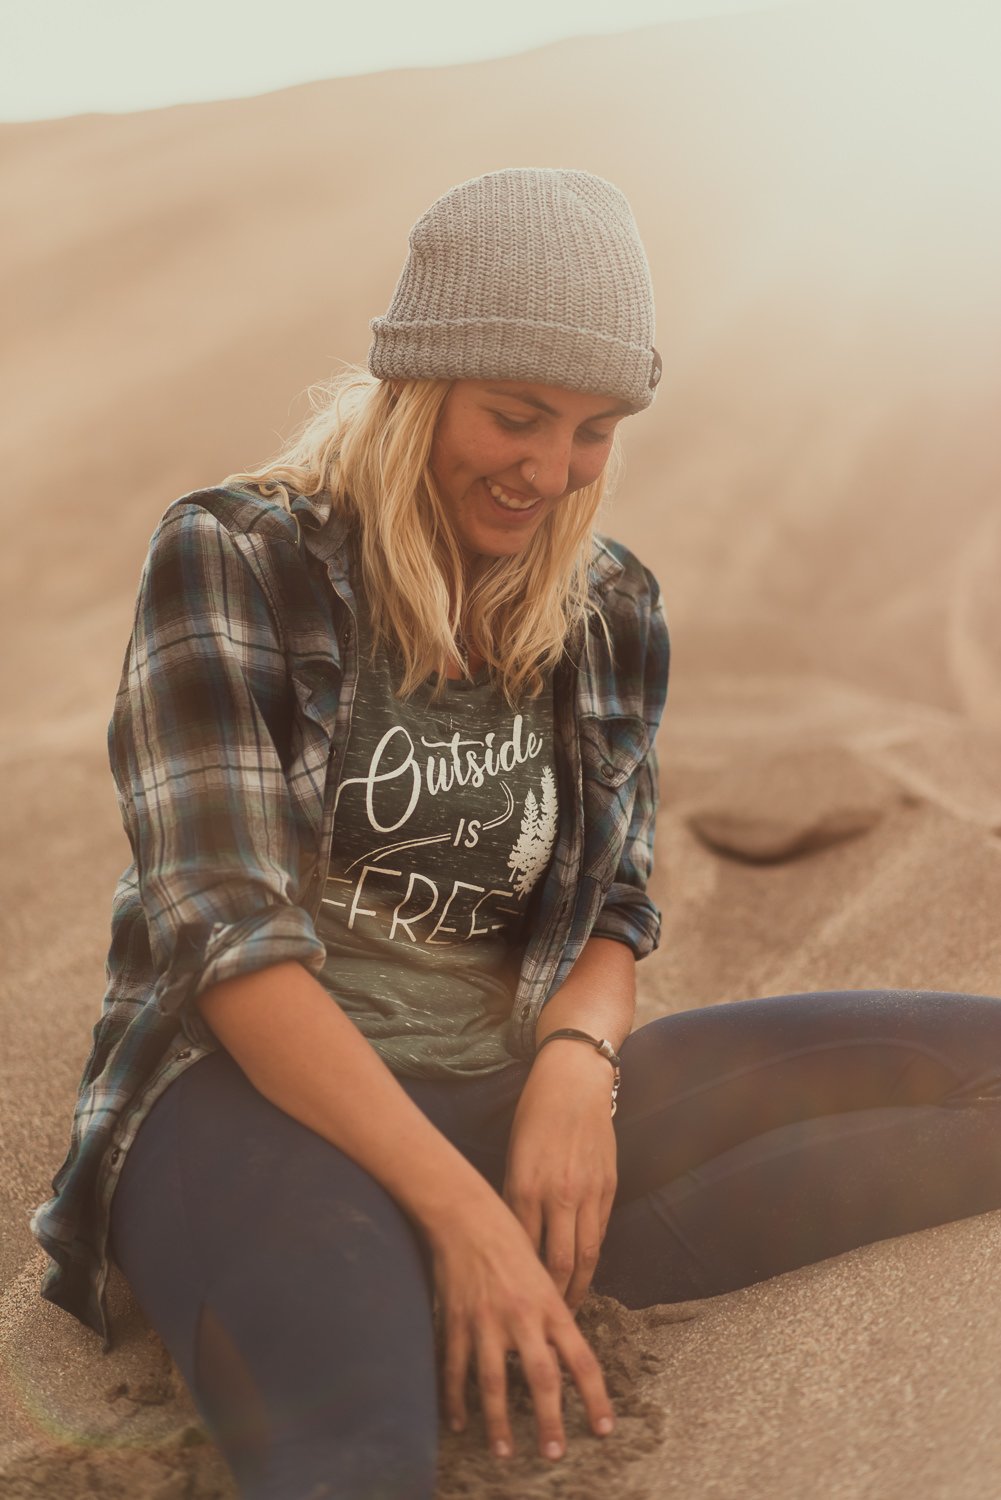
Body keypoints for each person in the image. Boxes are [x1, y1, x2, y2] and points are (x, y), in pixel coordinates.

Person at [32, 168, 1001, 1500]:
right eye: (515, 415)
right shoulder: (235, 557)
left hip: (502, 1090)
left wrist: (573, 1073)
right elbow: (227, 938)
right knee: (360, 1462)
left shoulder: (610, 607)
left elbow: (614, 908)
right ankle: (420, 1280)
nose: (550, 471)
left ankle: (517, 1273)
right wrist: (463, 1218)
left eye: (594, 431)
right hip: (251, 1110)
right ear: (418, 383)